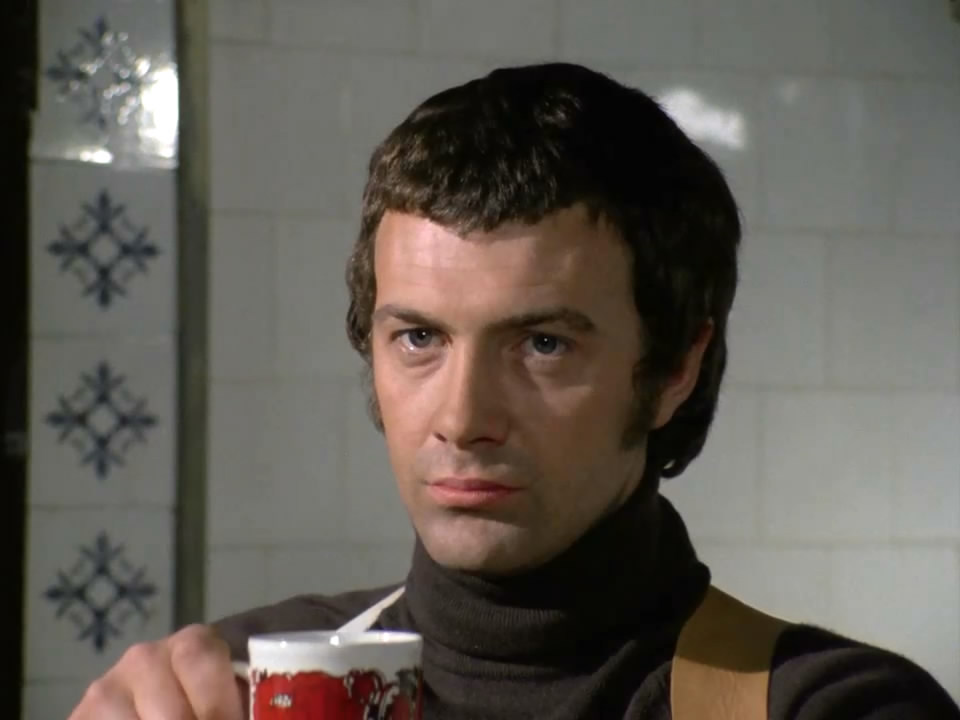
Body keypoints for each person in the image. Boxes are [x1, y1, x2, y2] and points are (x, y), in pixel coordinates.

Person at [69, 62, 959, 719]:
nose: (462, 420)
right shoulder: (242, 687)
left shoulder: (828, 707)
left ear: (673, 370)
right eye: (419, 338)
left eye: (542, 344)